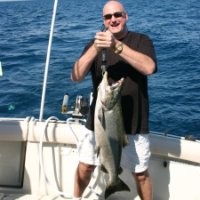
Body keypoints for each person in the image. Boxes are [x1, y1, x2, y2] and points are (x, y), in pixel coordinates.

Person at [71, 1, 157, 199]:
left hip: (135, 122)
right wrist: (95, 48)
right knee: (85, 166)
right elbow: (76, 76)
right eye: (108, 17)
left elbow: (149, 68)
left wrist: (116, 46)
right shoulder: (94, 45)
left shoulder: (141, 40)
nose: (113, 19)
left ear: (126, 16)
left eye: (117, 15)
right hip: (99, 122)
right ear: (103, 20)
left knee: (141, 173)